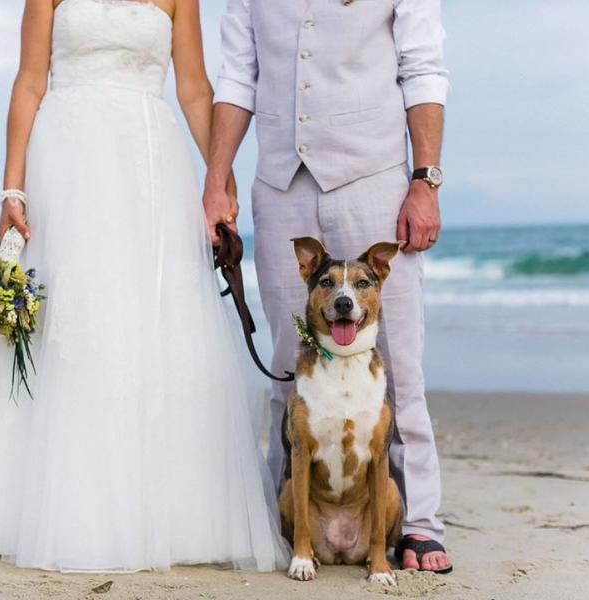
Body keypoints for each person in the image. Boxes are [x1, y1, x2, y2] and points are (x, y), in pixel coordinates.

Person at [0, 0, 289, 573]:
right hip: (68, 162)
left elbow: (195, 90)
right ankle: (34, 507)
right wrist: (13, 190)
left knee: (146, 325)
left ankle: (156, 512)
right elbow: (30, 83)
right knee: (71, 320)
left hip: (149, 167)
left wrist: (218, 180)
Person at [202, 0, 452, 574]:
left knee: (399, 369)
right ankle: (284, 523)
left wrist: (426, 180)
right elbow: (239, 73)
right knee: (288, 365)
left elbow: (422, 66)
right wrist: (217, 181)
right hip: (279, 183)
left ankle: (418, 526)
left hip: (375, 180)